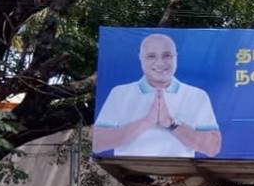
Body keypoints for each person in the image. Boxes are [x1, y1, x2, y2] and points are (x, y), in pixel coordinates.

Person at [93, 33, 221, 157]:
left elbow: (213, 148)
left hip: (180, 176)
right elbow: (97, 143)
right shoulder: (119, 93)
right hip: (131, 174)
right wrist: (146, 121)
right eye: (151, 56)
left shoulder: (197, 95)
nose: (160, 63)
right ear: (140, 57)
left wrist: (173, 124)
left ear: (176, 56)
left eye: (167, 55)